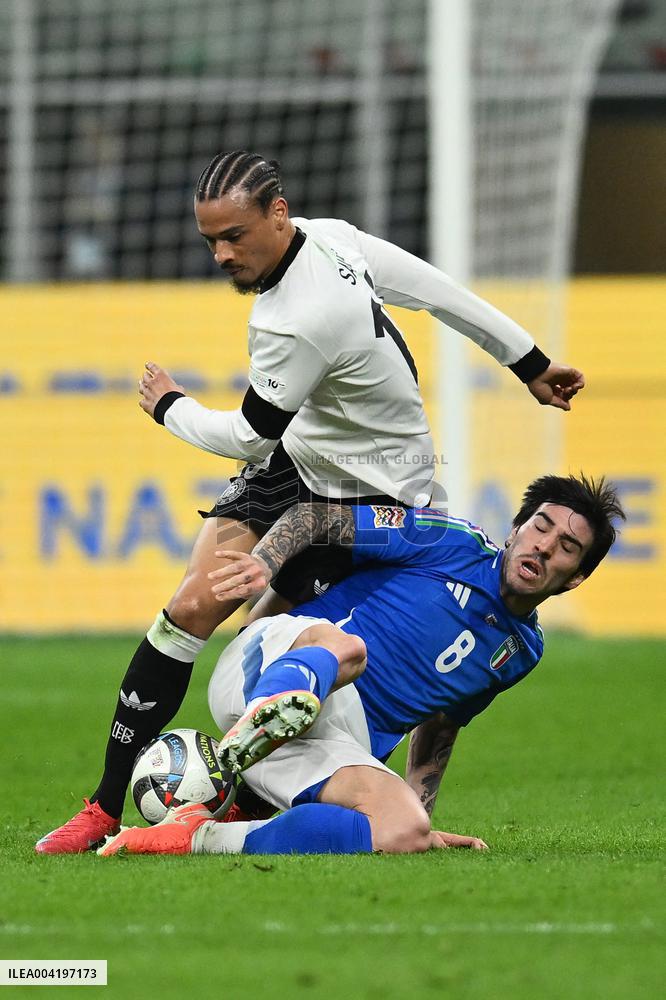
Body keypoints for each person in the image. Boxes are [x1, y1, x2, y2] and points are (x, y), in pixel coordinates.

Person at [37, 150, 585, 854]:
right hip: (300, 463)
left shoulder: (297, 318)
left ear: (278, 213)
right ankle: (105, 807)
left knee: (295, 653)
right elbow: (438, 291)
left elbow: (241, 434)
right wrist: (530, 363)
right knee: (190, 610)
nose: (222, 254)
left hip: (377, 490)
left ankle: (237, 809)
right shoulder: (331, 237)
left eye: (234, 236)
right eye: (210, 240)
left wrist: (169, 407)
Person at [98, 473, 624, 858]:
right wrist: (265, 560)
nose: (545, 546)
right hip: (277, 658)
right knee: (348, 649)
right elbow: (315, 517)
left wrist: (420, 814)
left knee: (403, 832)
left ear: (576, 577)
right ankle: (246, 739)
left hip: (326, 739)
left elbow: (440, 729)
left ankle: (195, 836)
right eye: (540, 527)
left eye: (566, 547)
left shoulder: (521, 652)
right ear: (515, 529)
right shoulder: (449, 541)